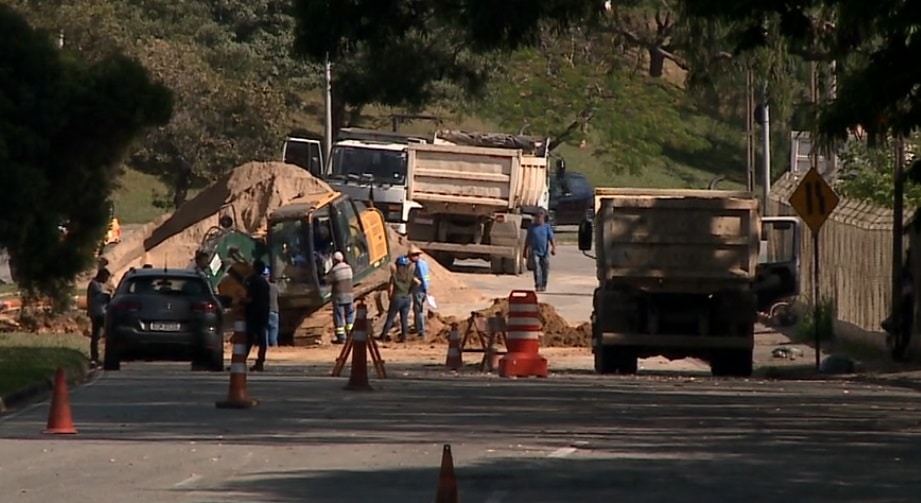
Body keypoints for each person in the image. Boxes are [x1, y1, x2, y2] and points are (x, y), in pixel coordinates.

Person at [378, 255, 419, 342]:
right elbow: (418, 282)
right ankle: (404, 337)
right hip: (407, 298)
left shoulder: (394, 275)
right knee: (404, 319)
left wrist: (390, 296)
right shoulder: (409, 275)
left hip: (397, 298)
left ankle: (383, 336)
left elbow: (390, 288)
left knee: (391, 317)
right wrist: (410, 290)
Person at [244, 259, 271, 371]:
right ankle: (260, 362)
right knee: (262, 340)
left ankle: (241, 360)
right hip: (263, 313)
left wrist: (240, 300)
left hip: (253, 314)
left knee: (248, 339)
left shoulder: (253, 282)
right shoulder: (265, 283)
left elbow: (250, 299)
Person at [523, 209, 556, 292]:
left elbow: (551, 238)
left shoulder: (546, 227)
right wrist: (525, 250)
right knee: (537, 268)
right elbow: (528, 240)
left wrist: (553, 248)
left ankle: (544, 284)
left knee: (545, 268)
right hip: (535, 251)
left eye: (541, 217)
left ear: (543, 218)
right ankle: (538, 284)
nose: (539, 219)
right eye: (537, 217)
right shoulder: (532, 228)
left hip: (544, 252)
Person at [326, 251, 354, 344]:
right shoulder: (349, 268)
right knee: (349, 315)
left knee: (339, 316)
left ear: (334, 260)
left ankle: (341, 338)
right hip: (350, 295)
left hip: (339, 296)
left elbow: (328, 280)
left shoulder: (335, 270)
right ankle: (351, 335)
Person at [85, 268, 112, 367]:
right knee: (102, 335)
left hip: (98, 312)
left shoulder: (96, 285)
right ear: (101, 275)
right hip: (98, 313)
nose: (106, 280)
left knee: (97, 336)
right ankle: (95, 357)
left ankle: (96, 357)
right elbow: (101, 298)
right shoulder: (94, 285)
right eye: (106, 277)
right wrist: (109, 296)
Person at [407, 245, 431, 339]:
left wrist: (424, 288)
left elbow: (422, 278)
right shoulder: (424, 263)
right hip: (423, 289)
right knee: (417, 309)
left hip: (419, 290)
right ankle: (418, 327)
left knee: (418, 310)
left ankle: (421, 331)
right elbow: (427, 277)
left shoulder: (419, 265)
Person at [265, 267, 280, 348]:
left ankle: (266, 349)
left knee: (265, 332)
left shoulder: (260, 287)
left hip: (263, 313)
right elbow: (279, 295)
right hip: (274, 311)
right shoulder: (274, 287)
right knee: (273, 331)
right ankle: (274, 349)